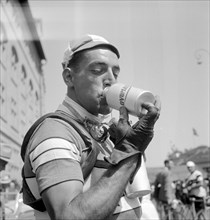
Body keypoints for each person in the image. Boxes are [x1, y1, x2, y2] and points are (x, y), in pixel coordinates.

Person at [20, 34, 161, 220]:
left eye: (115, 73)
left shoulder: (105, 132)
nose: (111, 79)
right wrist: (130, 151)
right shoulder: (55, 133)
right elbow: (69, 215)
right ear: (69, 77)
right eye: (97, 70)